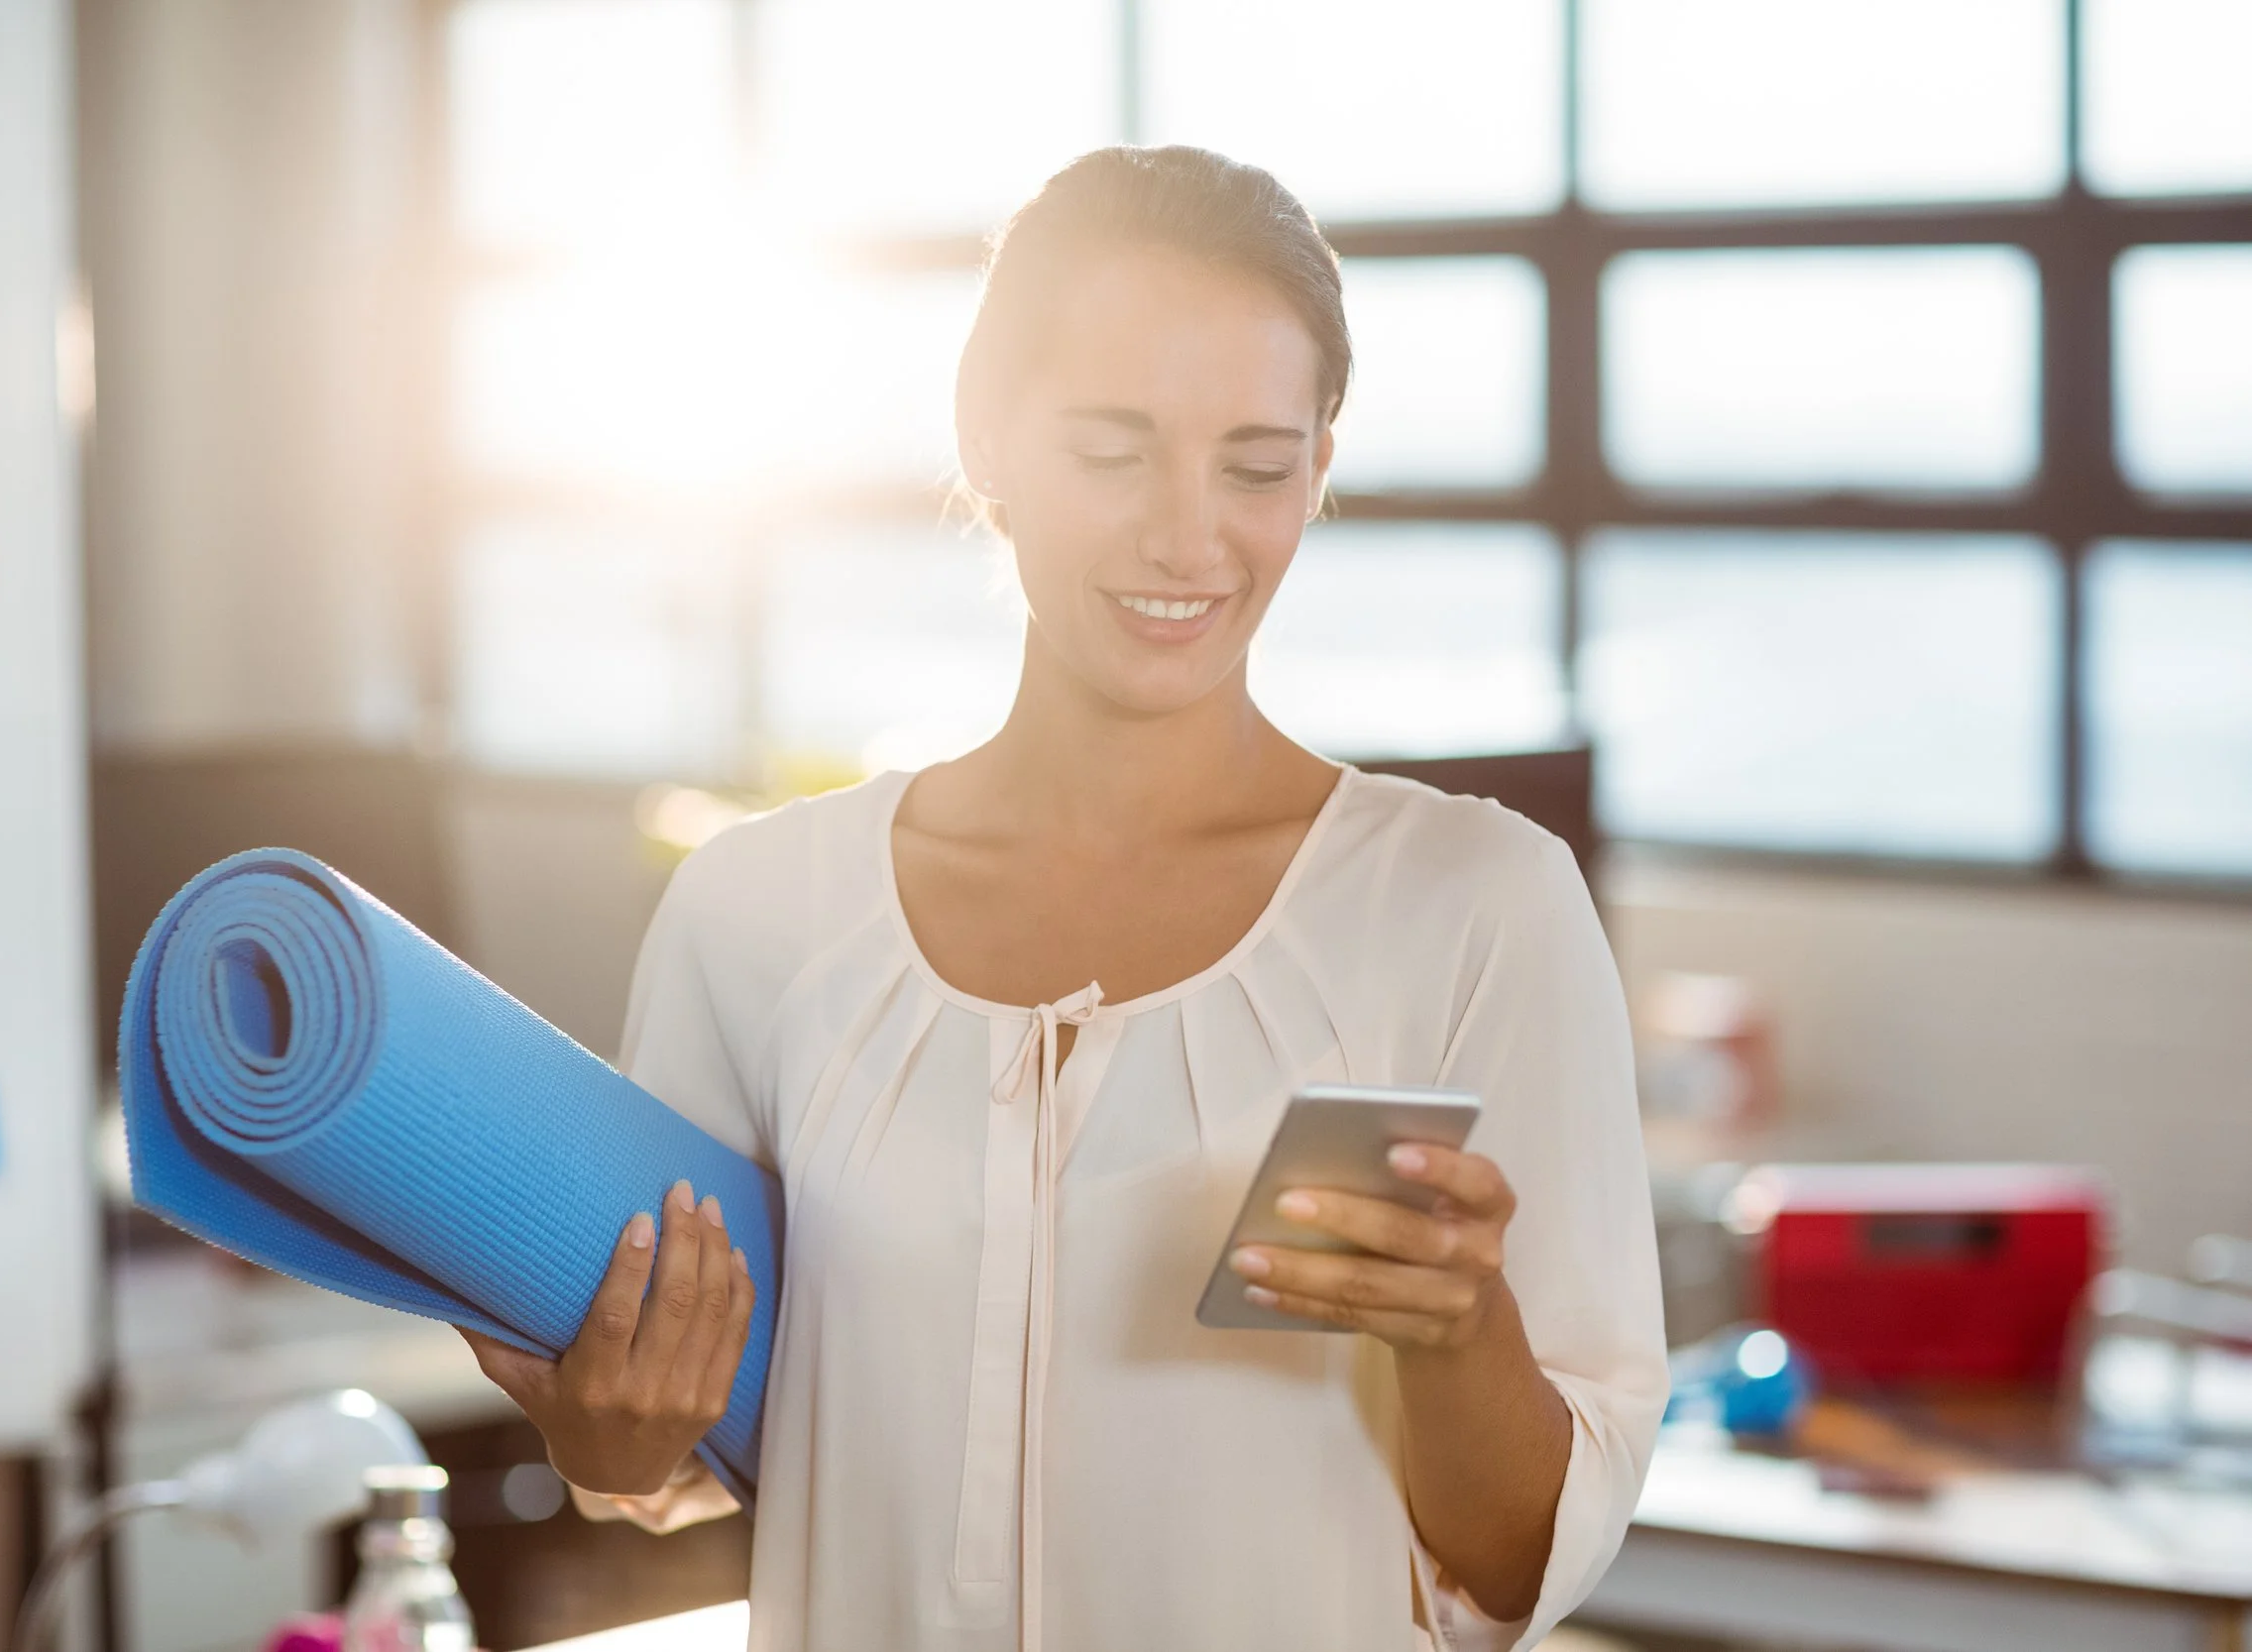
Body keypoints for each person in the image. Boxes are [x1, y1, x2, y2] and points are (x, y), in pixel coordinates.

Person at [460, 145, 1667, 1652]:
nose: (1188, 536)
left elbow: (1518, 1560)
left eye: (1256, 463)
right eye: (1112, 452)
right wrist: (606, 1437)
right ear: (987, 436)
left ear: (1322, 465)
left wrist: (1459, 1329)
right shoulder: (759, 914)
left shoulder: (1477, 906)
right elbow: (666, 1453)